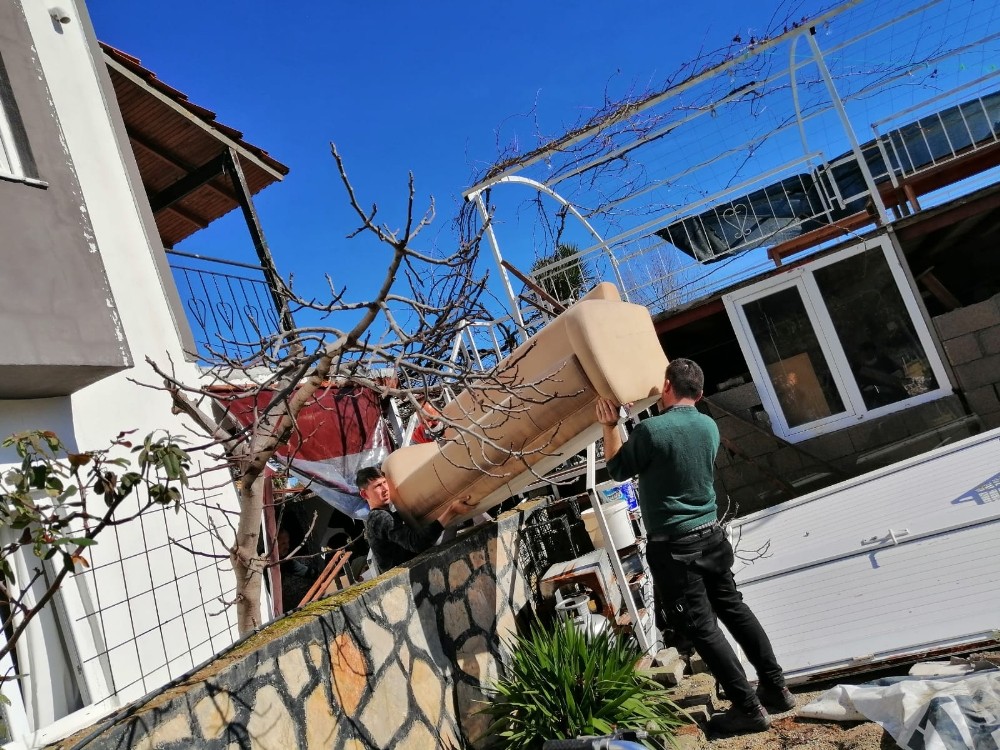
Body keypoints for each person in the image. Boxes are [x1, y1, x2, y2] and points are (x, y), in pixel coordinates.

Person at [596, 358, 794, 735]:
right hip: (711, 535)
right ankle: (776, 688)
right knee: (735, 610)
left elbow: (618, 470)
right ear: (700, 394)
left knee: (703, 628)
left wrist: (610, 426)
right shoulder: (708, 426)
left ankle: (748, 708)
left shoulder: (652, 431)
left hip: (675, 547)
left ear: (667, 385)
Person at [356, 465, 477, 574]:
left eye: (384, 482)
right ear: (365, 494)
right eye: (377, 486)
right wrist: (451, 511)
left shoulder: (389, 516)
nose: (385, 488)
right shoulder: (379, 518)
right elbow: (416, 543)